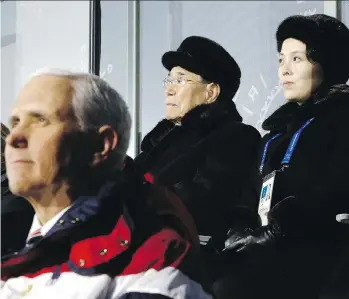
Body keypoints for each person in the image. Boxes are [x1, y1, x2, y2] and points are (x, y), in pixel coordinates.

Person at [0, 69, 212, 299]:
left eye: (41, 120)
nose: (14, 137)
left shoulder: (153, 262)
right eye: (16, 122)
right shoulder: (25, 258)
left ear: (102, 145)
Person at [219, 14, 349, 299]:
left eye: (297, 59)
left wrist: (280, 231)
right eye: (281, 60)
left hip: (321, 261)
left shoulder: (342, 120)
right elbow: (248, 195)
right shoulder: (274, 136)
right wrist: (240, 229)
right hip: (266, 261)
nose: (284, 71)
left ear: (328, 63)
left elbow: (333, 190)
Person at [134, 36, 261, 260]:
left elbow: (204, 202)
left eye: (180, 80)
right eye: (168, 80)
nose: (169, 90)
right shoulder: (156, 147)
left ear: (211, 92)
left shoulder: (236, 137)